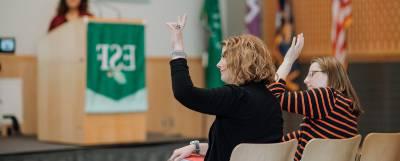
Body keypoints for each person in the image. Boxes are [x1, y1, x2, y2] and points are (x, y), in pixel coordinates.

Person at [166, 15, 291, 161]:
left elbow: (185, 93)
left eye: (224, 57)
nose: (218, 64)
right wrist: (196, 147)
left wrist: (178, 49)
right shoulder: (272, 100)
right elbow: (238, 151)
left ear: (241, 61)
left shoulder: (236, 97)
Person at [267, 35, 363, 161]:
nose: (306, 80)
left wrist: (288, 61)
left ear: (331, 76)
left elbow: (272, 98)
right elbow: (299, 136)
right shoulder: (346, 106)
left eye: (312, 74)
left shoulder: (326, 96)